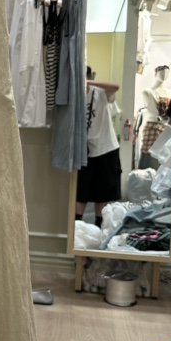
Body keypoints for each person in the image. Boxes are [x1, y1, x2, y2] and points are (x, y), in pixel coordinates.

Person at [76, 66, 122, 227]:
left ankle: (98, 228)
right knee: (80, 193)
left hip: (106, 148)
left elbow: (115, 86)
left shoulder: (101, 92)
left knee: (103, 193)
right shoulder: (74, 94)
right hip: (84, 150)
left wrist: (87, 82)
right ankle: (77, 227)